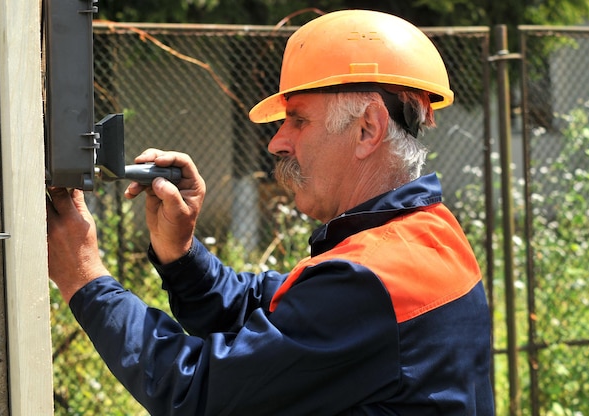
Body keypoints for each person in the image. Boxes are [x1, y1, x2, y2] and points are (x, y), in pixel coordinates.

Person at [47, 9, 494, 415]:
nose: (277, 142)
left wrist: (84, 277)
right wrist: (180, 254)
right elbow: (262, 311)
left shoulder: (371, 283)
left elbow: (197, 391)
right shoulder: (428, 236)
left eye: (298, 120)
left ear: (367, 128)